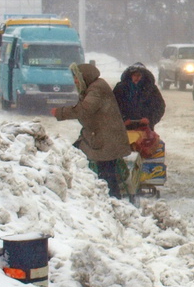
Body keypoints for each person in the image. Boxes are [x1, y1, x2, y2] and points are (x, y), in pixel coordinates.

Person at [52, 62, 131, 198]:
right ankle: (109, 199)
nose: (75, 81)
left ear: (84, 77)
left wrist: (61, 112)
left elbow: (85, 109)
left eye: (76, 77)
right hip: (100, 137)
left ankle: (113, 202)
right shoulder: (93, 87)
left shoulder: (96, 89)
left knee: (106, 175)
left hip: (106, 141)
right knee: (102, 171)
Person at [113, 62, 166, 129]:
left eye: (139, 75)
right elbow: (113, 107)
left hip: (145, 128)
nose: (137, 77)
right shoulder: (120, 88)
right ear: (130, 76)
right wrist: (122, 120)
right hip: (123, 129)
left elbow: (159, 107)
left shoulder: (151, 89)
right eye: (135, 75)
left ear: (143, 76)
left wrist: (149, 120)